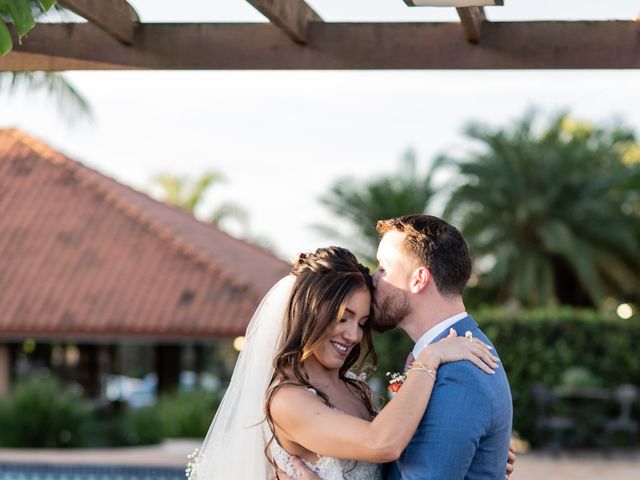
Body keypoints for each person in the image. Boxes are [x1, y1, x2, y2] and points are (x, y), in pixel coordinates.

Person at [188, 244, 508, 480]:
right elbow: (382, 443)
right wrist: (432, 357)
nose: (353, 335)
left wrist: (468, 445)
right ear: (311, 312)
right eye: (344, 318)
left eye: (362, 322)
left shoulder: (354, 387)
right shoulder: (287, 400)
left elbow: (396, 449)